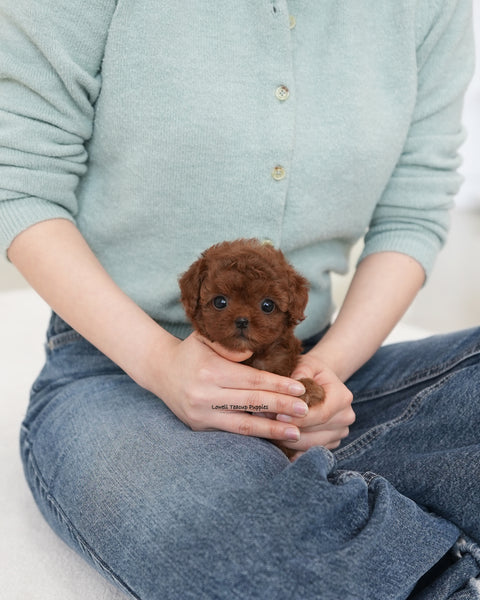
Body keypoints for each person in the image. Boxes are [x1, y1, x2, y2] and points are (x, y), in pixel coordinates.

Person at [1, 1, 479, 598]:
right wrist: (160, 364)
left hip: (319, 366)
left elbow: (413, 207)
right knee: (212, 520)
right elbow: (20, 181)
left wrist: (322, 377)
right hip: (119, 373)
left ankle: (329, 507)